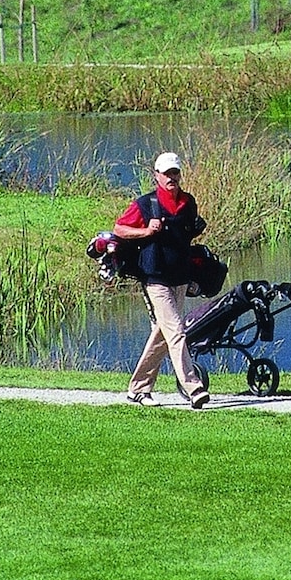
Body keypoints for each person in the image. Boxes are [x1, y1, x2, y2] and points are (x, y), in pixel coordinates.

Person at [117, 151, 210, 408]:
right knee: (177, 333)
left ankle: (138, 389)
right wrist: (146, 231)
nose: (171, 177)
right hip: (155, 278)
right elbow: (120, 229)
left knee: (163, 334)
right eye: (166, 173)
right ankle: (194, 388)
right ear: (156, 175)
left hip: (179, 277)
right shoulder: (146, 204)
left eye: (175, 173)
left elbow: (189, 234)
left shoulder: (188, 202)